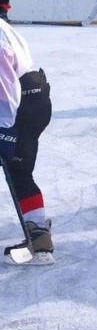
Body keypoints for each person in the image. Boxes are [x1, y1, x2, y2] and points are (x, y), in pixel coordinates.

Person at [0, 17, 54, 265]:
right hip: (35, 100)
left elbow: (7, 94)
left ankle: (40, 238)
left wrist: (4, 129)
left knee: (18, 169)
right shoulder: (4, 27)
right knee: (19, 171)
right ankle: (38, 234)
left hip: (20, 106)